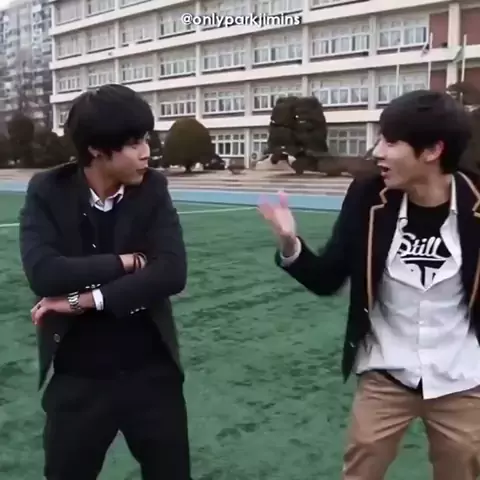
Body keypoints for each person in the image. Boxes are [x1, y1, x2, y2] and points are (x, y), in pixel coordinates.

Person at [258, 89, 480, 480]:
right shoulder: (367, 196)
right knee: (362, 466)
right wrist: (291, 244)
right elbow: (328, 278)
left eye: (390, 142)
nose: (377, 152)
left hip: (463, 377)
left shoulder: (476, 203)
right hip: (385, 372)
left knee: (462, 469)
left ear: (432, 150)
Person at [19, 84, 190, 480]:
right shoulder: (47, 190)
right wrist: (127, 262)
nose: (146, 152)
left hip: (151, 372)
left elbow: (171, 271)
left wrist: (82, 300)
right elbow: (44, 273)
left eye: (146, 139)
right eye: (133, 143)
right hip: (79, 375)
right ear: (96, 149)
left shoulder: (153, 188)